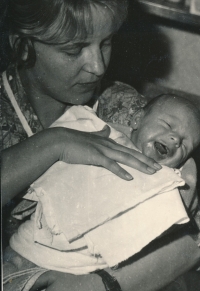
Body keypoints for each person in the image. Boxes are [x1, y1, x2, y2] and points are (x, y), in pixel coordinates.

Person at [1, 0, 200, 290]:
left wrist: (102, 284)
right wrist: (55, 143)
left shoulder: (118, 105)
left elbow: (192, 231)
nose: (97, 65)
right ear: (23, 44)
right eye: (74, 49)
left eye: (105, 42)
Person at [6, 94, 200, 279]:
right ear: (137, 119)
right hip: (28, 250)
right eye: (167, 125)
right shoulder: (102, 135)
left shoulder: (166, 181)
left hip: (79, 272)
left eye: (184, 145)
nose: (175, 139)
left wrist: (187, 177)